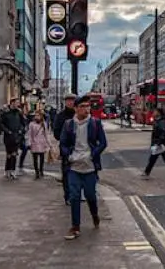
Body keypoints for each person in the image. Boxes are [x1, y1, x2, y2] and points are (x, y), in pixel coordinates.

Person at [59, 94, 108, 241]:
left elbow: (103, 143)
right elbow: (63, 144)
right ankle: (75, 227)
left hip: (90, 167)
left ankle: (94, 215)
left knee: (90, 195)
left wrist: (93, 154)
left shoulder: (95, 123)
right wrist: (69, 156)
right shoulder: (69, 124)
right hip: (74, 167)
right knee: (74, 196)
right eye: (82, 106)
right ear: (76, 109)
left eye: (88, 106)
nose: (86, 109)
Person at [52, 94, 77, 203]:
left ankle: (77, 194)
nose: (71, 103)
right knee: (67, 173)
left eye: (73, 100)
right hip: (66, 148)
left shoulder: (79, 114)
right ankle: (68, 196)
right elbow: (56, 133)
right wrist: (65, 138)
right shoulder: (60, 116)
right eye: (68, 101)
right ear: (65, 102)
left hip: (80, 148)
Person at [141, 108, 165, 180]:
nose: (153, 113)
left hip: (161, 143)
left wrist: (158, 143)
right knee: (156, 158)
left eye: (155, 111)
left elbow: (163, 133)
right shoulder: (157, 120)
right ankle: (146, 173)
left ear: (159, 113)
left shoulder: (162, 122)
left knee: (158, 158)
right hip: (158, 142)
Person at [0, 99, 24, 180]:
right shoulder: (6, 113)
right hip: (8, 137)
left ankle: (13, 171)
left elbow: (23, 123)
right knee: (9, 155)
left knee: (14, 154)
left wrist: (21, 130)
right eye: (16, 103)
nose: (17, 104)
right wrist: (7, 131)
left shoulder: (19, 113)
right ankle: (7, 170)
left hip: (16, 136)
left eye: (18, 103)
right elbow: (1, 124)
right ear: (12, 103)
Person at [26, 110, 51, 179]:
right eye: (36, 115)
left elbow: (46, 134)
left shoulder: (44, 124)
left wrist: (49, 144)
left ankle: (41, 170)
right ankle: (37, 172)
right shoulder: (31, 124)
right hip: (34, 143)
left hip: (42, 143)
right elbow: (29, 134)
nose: (36, 117)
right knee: (35, 159)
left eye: (38, 115)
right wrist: (29, 143)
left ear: (41, 116)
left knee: (42, 158)